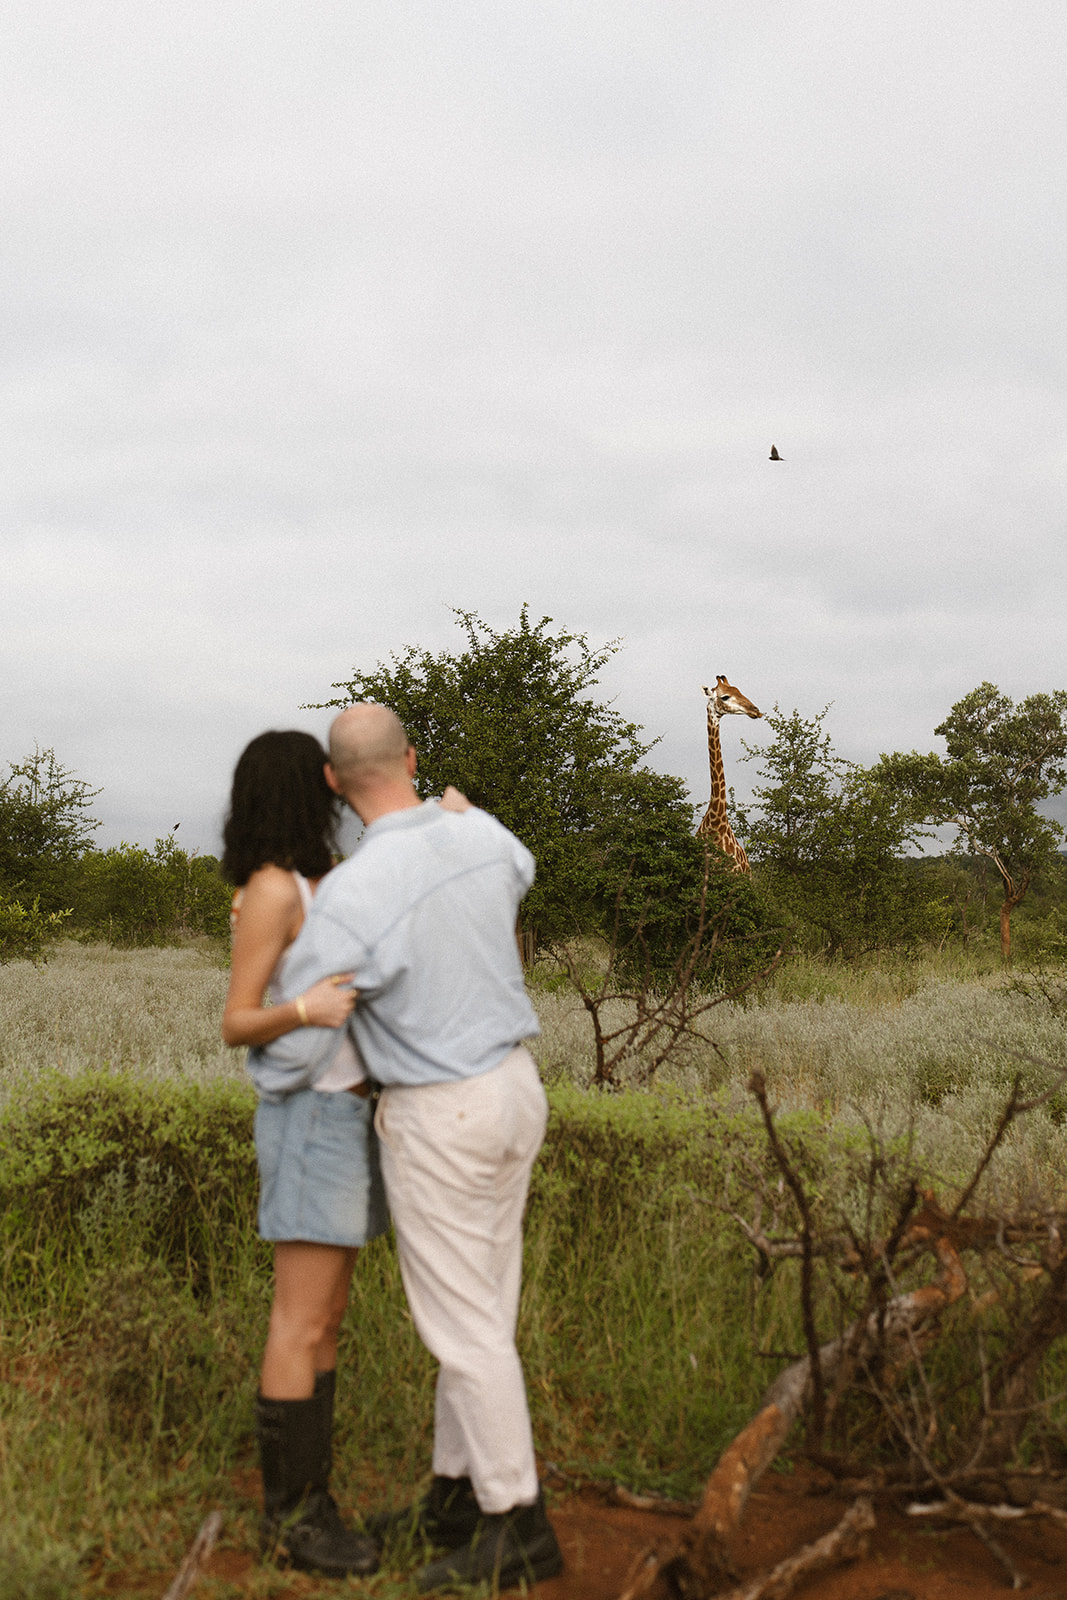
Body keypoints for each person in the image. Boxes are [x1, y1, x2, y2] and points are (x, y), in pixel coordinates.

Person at [247, 703, 563, 1594]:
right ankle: (456, 1498)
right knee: (486, 1307)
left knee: (461, 1327)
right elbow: (517, 869)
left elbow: (308, 1035)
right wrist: (455, 818)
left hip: (440, 1112)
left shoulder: (355, 887)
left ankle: (517, 1523)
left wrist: (272, 1076)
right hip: (514, 1089)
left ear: (333, 782)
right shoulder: (486, 835)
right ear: (412, 758)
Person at [220, 728, 384, 1579]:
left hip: (345, 1121)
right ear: (298, 787)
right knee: (300, 1320)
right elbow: (236, 1019)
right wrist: (304, 1011)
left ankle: (311, 1506)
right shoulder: (274, 891)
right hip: (308, 1121)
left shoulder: (318, 885)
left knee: (325, 1323)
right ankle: (290, 1521)